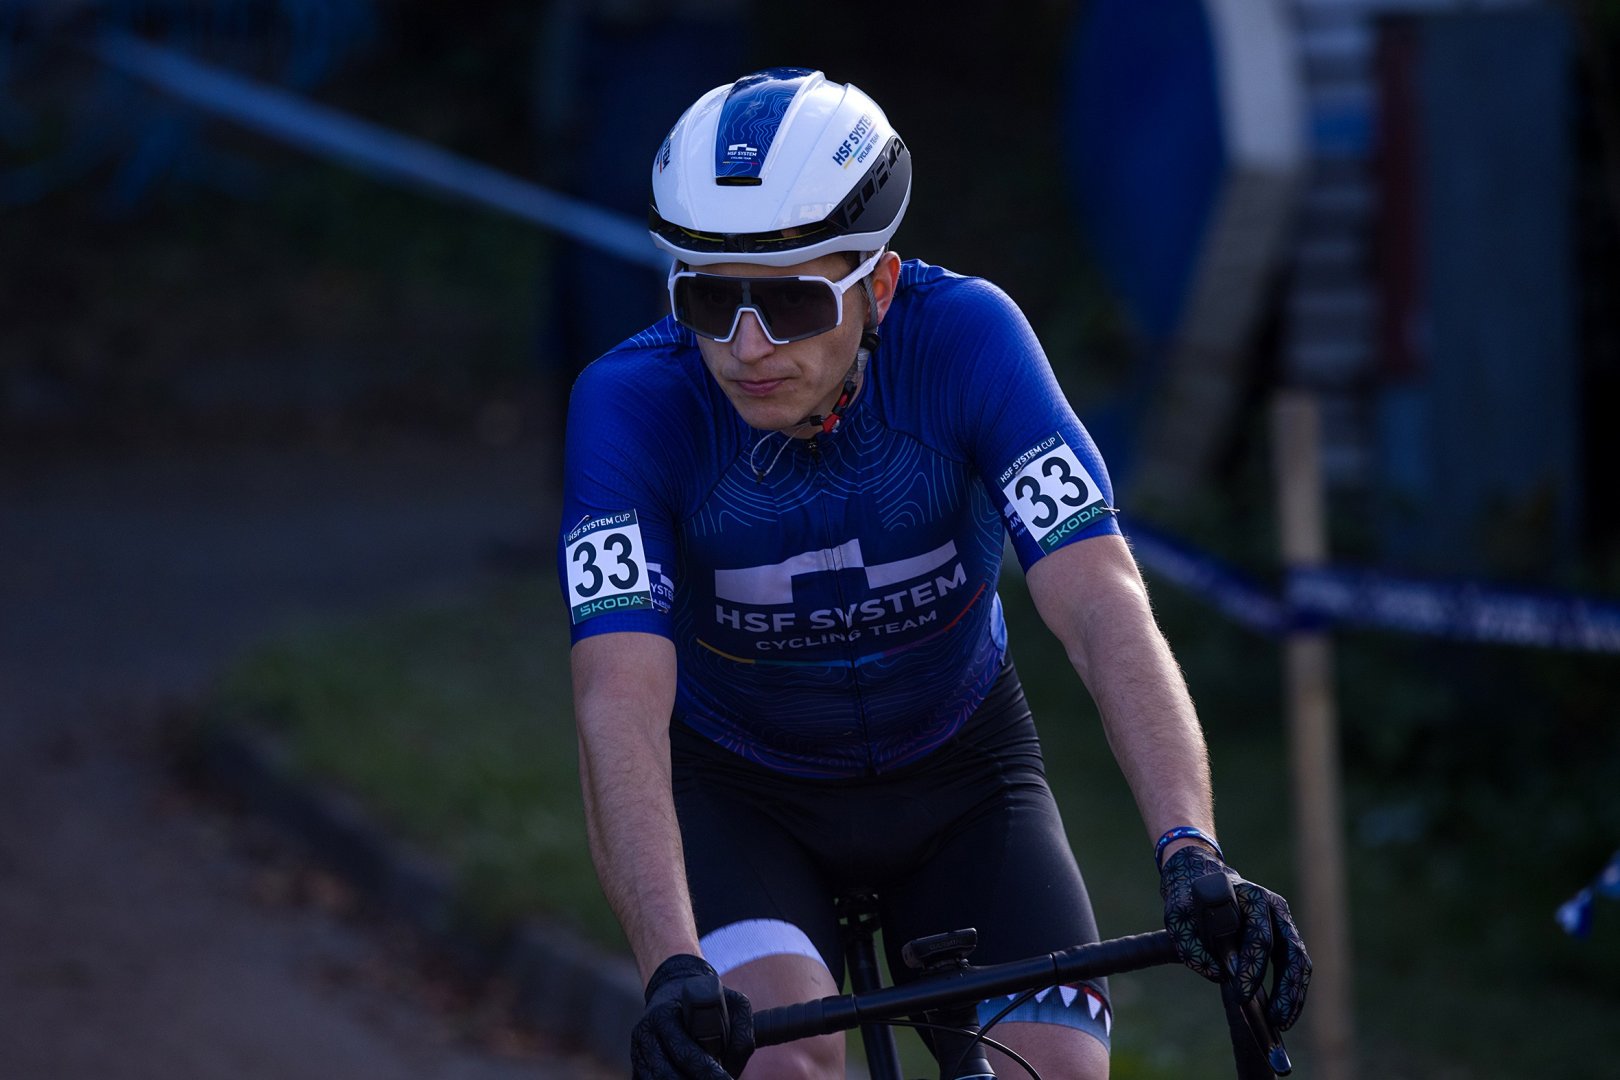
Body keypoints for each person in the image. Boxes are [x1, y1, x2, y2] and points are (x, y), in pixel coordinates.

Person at [558, 68, 1310, 1079]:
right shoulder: (630, 403)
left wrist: (1190, 846)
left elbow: (1101, 600)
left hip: (962, 773)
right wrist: (671, 964)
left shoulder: (968, 339)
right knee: (783, 1059)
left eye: (789, 300)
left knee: (1059, 1073)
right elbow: (617, 693)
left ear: (877, 286)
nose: (744, 346)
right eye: (707, 297)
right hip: (742, 791)